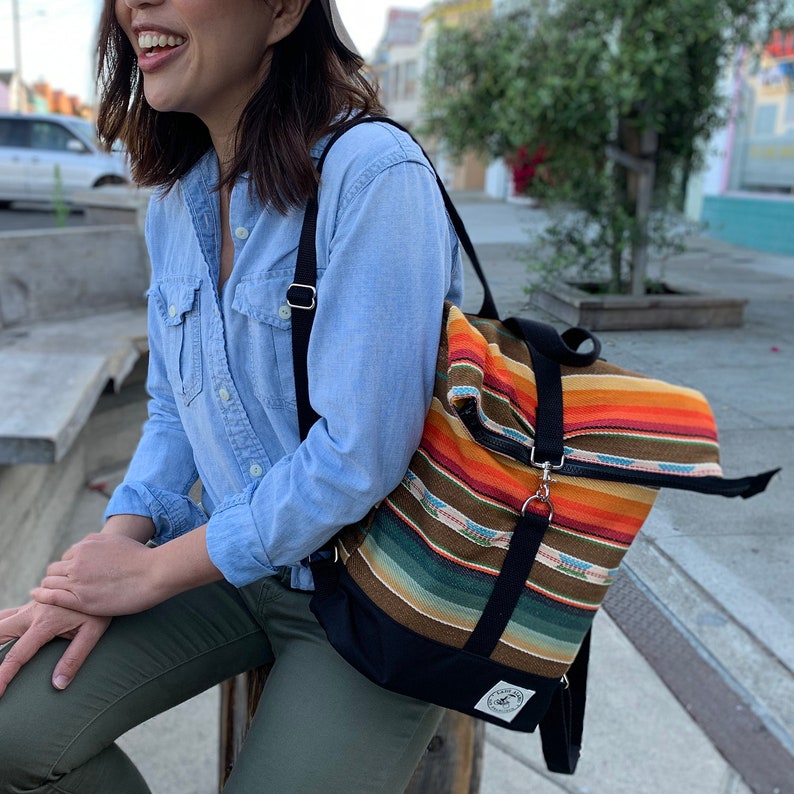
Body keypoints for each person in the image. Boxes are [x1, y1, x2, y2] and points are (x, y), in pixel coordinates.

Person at [0, 0, 463, 790]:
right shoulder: (176, 199)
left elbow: (360, 454)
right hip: (233, 568)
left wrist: (152, 574)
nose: (132, 5)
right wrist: (119, 541)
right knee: (11, 730)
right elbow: (175, 406)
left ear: (283, 11)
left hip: (378, 587)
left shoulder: (373, 172)